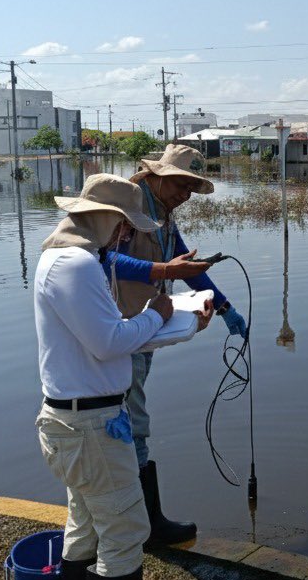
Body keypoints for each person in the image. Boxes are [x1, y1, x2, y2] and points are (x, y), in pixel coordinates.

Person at [34, 173, 212, 580]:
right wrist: (159, 313)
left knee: (87, 526)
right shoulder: (74, 265)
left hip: (79, 418)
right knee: (126, 530)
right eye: (126, 226)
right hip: (88, 425)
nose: (128, 237)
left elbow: (111, 341)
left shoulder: (71, 260)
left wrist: (178, 324)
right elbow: (111, 341)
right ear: (106, 219)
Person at [100, 144, 247, 547]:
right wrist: (165, 270)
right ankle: (145, 529)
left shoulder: (161, 215)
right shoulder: (124, 209)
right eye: (181, 184)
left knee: (131, 424)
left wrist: (226, 307)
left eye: (191, 188)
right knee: (132, 426)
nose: (185, 194)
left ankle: (135, 521)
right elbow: (102, 259)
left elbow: (188, 268)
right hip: (117, 335)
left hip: (145, 329)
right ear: (157, 175)